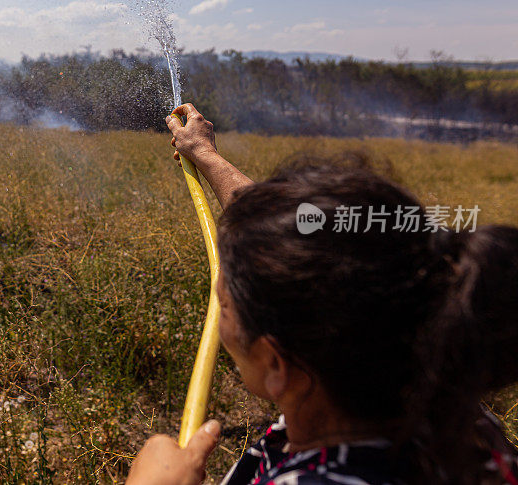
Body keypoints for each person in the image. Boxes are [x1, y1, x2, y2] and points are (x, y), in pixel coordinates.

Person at [126, 103, 518, 484]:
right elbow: (297, 240)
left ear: (276, 364)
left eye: (223, 306)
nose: (218, 306)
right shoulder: (456, 418)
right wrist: (205, 155)